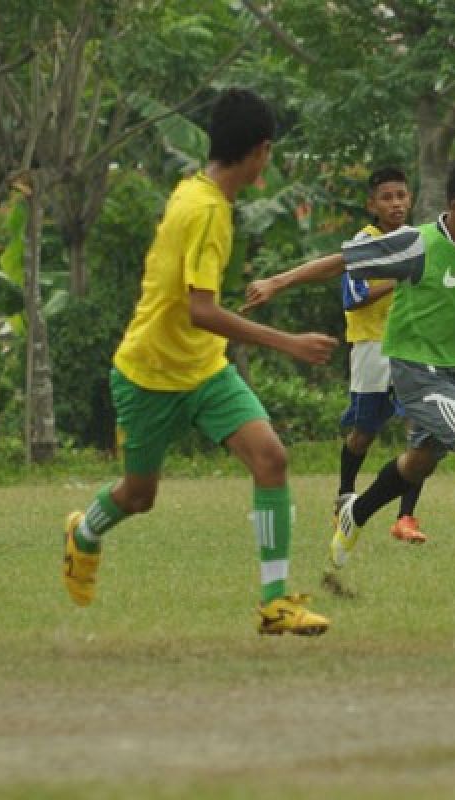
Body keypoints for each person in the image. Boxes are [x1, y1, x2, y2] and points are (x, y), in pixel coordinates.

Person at [60, 88, 337, 636]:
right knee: (138, 496)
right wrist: (289, 343)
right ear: (260, 151)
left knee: (271, 459)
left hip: (204, 369)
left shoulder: (194, 189)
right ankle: (84, 533)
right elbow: (202, 310)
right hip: (149, 374)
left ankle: (275, 604)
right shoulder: (207, 211)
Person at [245, 152, 455, 590]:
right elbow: (343, 261)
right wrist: (277, 282)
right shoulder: (417, 243)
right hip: (417, 368)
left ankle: (356, 512)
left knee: (418, 463)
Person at [337, 166, 427, 545]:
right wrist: (398, 278)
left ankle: (405, 517)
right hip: (372, 348)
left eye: (402, 196)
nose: (396, 204)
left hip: (411, 348)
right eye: (387, 198)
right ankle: (343, 497)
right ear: (372, 204)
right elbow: (352, 297)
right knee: (363, 434)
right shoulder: (363, 243)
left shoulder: (419, 241)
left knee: (420, 432)